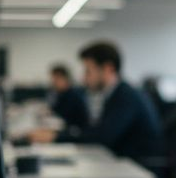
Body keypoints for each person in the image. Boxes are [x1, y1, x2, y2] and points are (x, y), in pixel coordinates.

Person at [30, 41, 163, 166]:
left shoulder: (126, 97)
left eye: (88, 71)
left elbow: (101, 138)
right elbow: (96, 131)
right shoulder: (114, 94)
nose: (84, 78)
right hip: (123, 166)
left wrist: (56, 137)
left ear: (108, 68)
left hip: (139, 174)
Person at [46, 64, 89, 131]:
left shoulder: (73, 97)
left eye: (57, 79)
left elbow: (65, 120)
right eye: (53, 79)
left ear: (66, 79)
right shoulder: (61, 95)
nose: (54, 82)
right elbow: (56, 110)